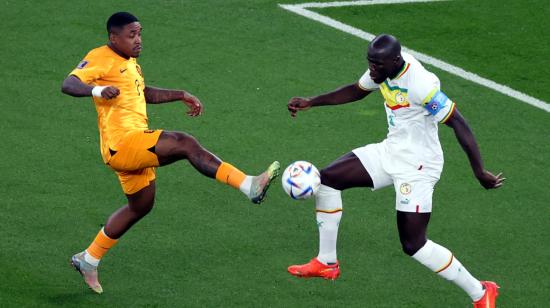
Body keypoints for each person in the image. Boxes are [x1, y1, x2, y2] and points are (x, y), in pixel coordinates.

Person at [61, 12, 280, 294]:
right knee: (184, 142)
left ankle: (88, 260)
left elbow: (142, 93)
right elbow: (69, 84)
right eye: (131, 35)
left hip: (133, 145)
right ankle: (248, 185)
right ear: (114, 37)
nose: (138, 40)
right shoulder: (100, 56)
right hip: (123, 143)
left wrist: (180, 94)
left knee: (141, 206)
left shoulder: (130, 63)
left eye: (139, 33)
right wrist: (98, 90)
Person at [286, 34, 504, 308]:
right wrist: (311, 102)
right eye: (369, 63)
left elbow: (459, 123)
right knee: (327, 180)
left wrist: (479, 171)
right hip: (391, 151)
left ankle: (481, 292)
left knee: (414, 244)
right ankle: (326, 262)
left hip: (418, 167)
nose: (371, 70)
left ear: (395, 61)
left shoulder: (420, 85)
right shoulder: (382, 70)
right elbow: (357, 90)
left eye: (376, 65)